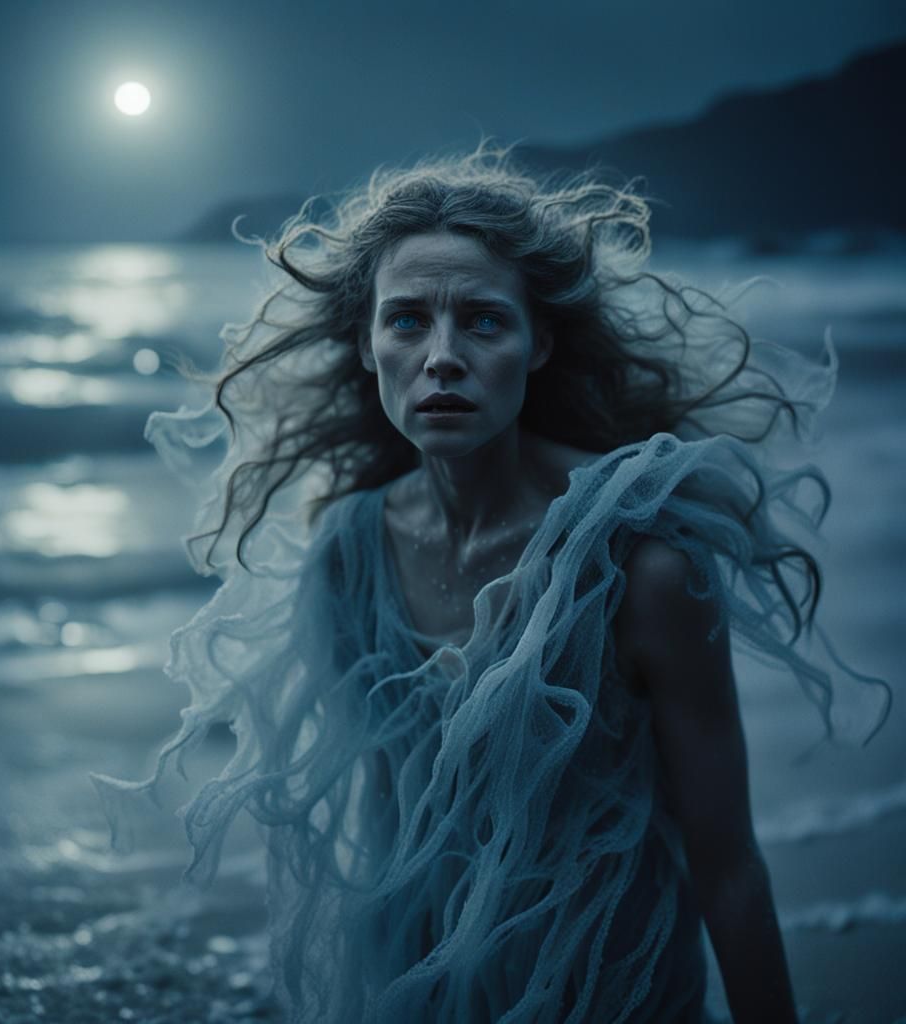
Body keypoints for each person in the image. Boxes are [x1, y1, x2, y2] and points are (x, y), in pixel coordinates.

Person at [95, 143, 890, 1023]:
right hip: (430, 987)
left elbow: (728, 860)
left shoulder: (644, 566)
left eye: (482, 321)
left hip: (615, 991)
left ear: (537, 342)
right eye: (406, 322)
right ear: (367, 345)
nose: (441, 356)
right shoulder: (349, 552)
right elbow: (396, 824)